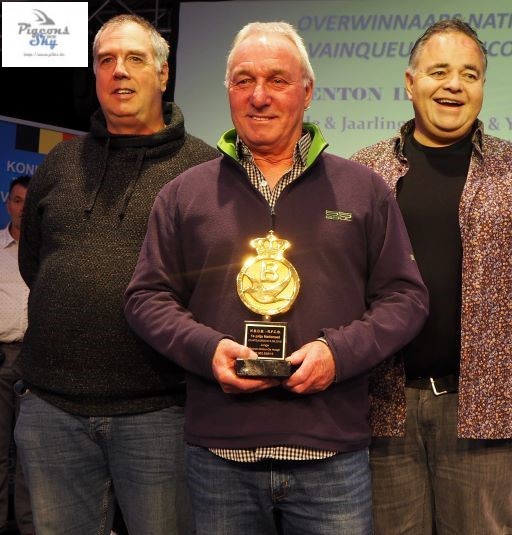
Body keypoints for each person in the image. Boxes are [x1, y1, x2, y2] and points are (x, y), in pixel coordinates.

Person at [123, 21, 428, 534]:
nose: (259, 96)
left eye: (277, 80)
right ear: (228, 91)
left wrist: (338, 354)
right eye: (244, 80)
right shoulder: (184, 193)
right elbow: (146, 297)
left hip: (331, 452)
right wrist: (206, 350)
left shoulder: (363, 190)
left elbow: (406, 297)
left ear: (307, 91)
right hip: (220, 454)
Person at [350, 18, 512, 535]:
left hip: (486, 413)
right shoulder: (364, 173)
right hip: (382, 409)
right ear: (410, 82)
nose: (455, 85)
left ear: (483, 86)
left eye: (470, 74)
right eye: (439, 71)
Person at [15, 14, 219, 535]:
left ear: (163, 74)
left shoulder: (206, 171)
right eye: (106, 60)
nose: (119, 72)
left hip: (160, 412)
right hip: (51, 410)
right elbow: (35, 264)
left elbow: (217, 287)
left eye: (134, 59)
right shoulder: (60, 163)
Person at [0, 175, 33, 535]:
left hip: (36, 361)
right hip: (0, 356)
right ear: (8, 203)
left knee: (30, 452)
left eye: (29, 201)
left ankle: (29, 527)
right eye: (17, 200)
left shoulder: (46, 250)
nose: (22, 209)